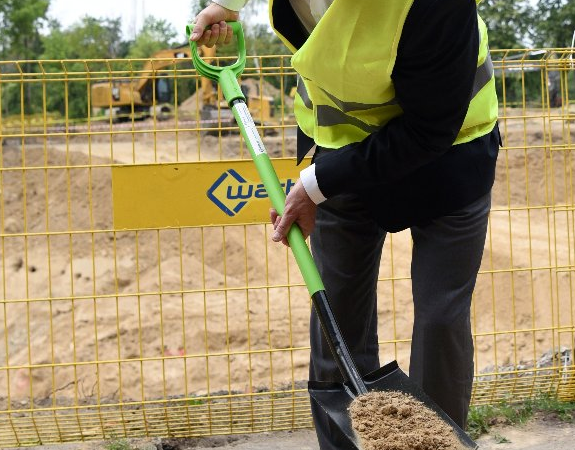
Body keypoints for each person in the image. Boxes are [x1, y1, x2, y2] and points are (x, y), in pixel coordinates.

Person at [190, 1, 500, 448]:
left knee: (440, 318)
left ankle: (437, 443)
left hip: (451, 154)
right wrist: (226, 4)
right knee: (335, 316)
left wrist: (315, 184)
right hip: (340, 148)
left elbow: (429, 130)